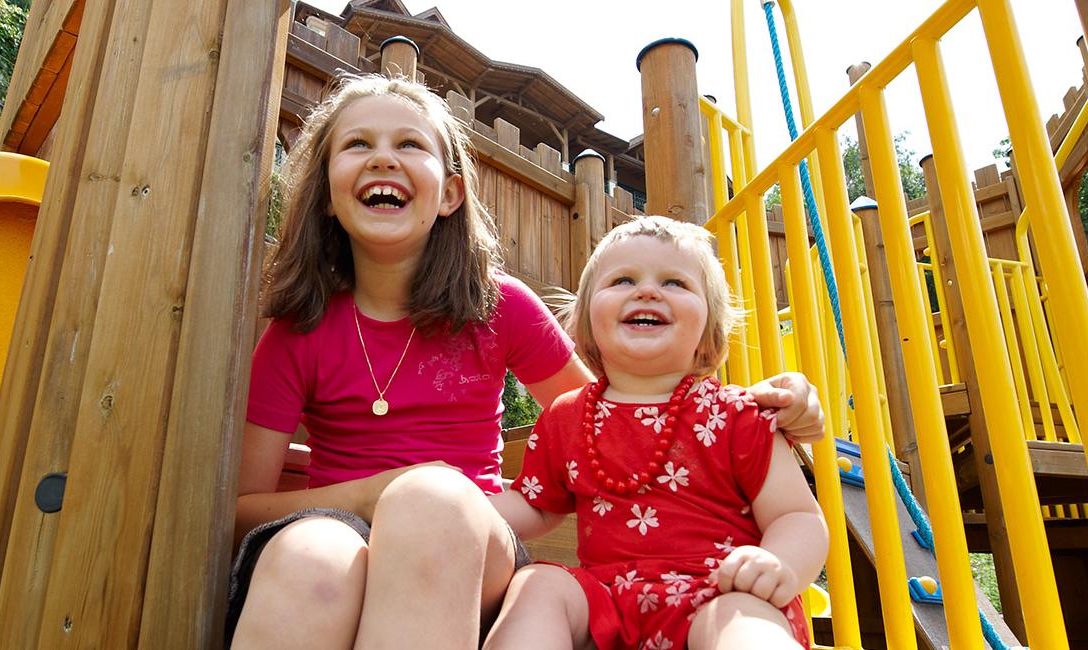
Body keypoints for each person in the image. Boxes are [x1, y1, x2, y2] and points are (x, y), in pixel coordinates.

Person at [231, 74, 825, 650]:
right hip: (336, 524)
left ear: (450, 193)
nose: (383, 158)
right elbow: (244, 510)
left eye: (409, 143)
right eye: (358, 144)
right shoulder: (298, 334)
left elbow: (622, 416)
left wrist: (763, 417)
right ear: (328, 197)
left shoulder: (500, 306)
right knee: (308, 557)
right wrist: (369, 496)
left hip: (469, 533)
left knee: (431, 502)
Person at [483, 216, 827, 650]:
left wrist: (779, 563)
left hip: (718, 590)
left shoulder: (738, 415)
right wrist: (464, 508)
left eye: (675, 283)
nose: (647, 291)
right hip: (605, 599)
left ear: (709, 330)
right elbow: (536, 505)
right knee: (538, 584)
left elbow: (796, 516)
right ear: (587, 320)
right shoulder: (566, 416)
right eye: (624, 280)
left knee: (744, 616)